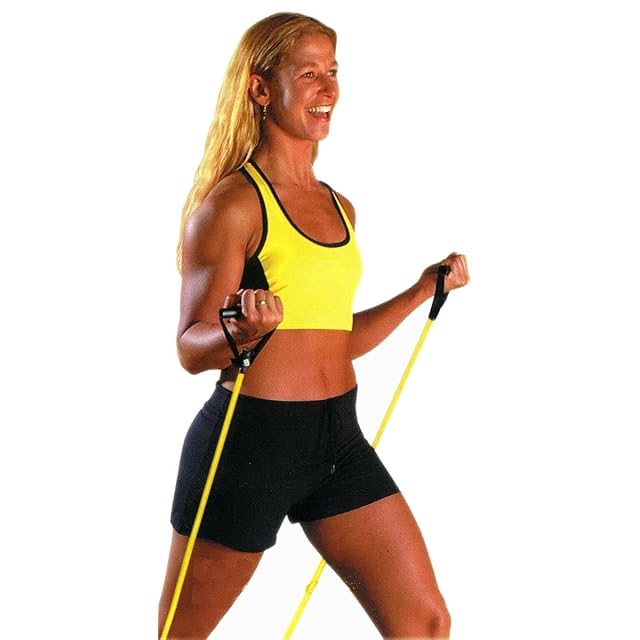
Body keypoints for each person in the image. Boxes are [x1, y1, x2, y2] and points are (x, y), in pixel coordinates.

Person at [158, 11, 469, 639]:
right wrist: (240, 335)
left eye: (332, 72)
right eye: (308, 74)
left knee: (425, 622)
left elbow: (334, 340)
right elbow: (191, 349)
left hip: (337, 441)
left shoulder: (339, 207)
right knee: (181, 635)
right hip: (250, 444)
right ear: (260, 87)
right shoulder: (232, 205)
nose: (327, 88)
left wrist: (420, 291)